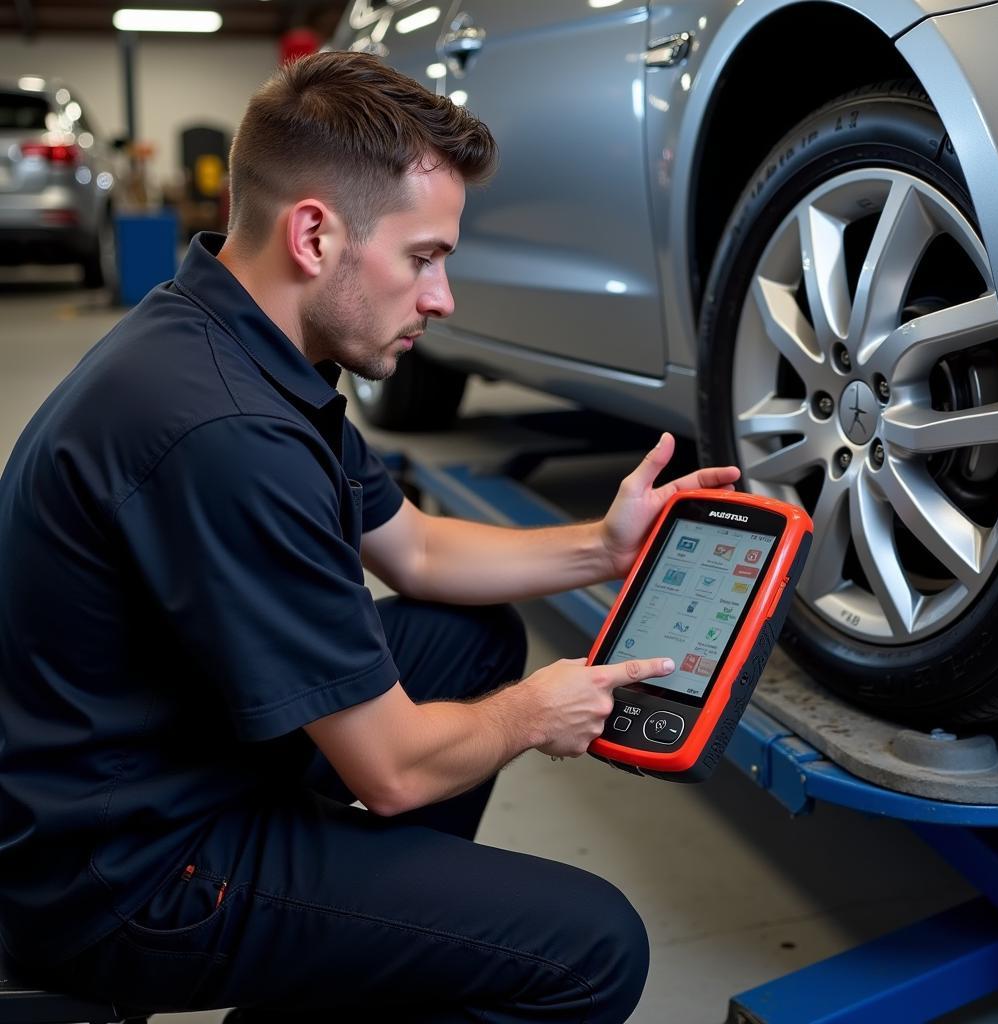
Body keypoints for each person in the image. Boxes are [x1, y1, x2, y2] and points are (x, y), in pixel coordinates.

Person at [0, 52, 739, 1022]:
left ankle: (346, 967)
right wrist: (531, 715)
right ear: (315, 233)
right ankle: (339, 946)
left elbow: (418, 550)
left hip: (159, 751)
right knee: (592, 948)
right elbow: (390, 774)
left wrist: (605, 544)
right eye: (424, 257)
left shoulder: (233, 339)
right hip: (125, 875)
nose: (442, 299)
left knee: (471, 638)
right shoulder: (227, 434)